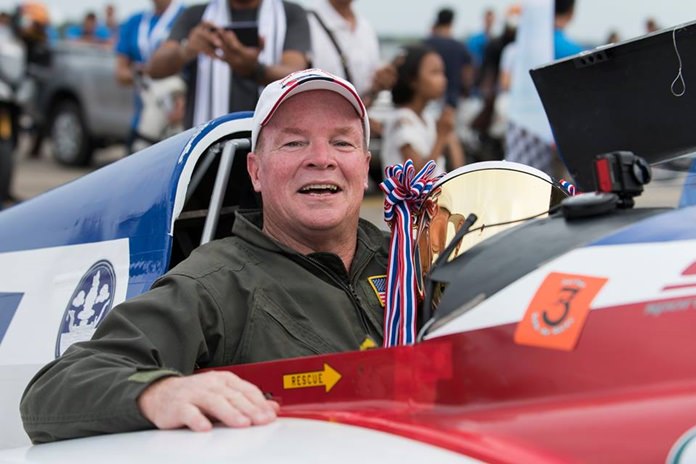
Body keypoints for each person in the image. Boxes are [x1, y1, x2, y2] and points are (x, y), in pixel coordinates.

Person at [20, 68, 389, 443]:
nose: (321, 158)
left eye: (342, 143)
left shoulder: (410, 258)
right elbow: (53, 391)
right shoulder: (214, 283)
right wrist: (159, 391)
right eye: (294, 143)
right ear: (256, 171)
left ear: (364, 168)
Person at [147, 0, 311, 129]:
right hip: (207, 148)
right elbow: (154, 68)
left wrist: (254, 69)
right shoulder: (196, 15)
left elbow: (296, 76)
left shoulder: (290, 13)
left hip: (269, 139)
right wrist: (187, 50)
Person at [115, 0, 187, 152]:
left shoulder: (187, 16)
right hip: (144, 121)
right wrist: (142, 75)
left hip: (180, 124)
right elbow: (120, 73)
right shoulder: (135, 22)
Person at [380, 45, 461, 175]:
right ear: (413, 80)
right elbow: (417, 178)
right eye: (435, 72)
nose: (443, 80)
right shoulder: (402, 121)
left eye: (442, 73)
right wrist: (441, 137)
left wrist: (448, 134)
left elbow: (459, 169)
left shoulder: (427, 118)